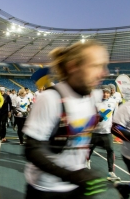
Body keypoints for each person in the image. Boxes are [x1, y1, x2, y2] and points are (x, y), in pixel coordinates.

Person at [23, 40, 109, 198]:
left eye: (104, 66)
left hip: (76, 186)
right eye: (95, 66)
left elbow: (81, 134)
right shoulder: (50, 98)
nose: (105, 73)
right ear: (73, 66)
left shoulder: (92, 95)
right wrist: (72, 176)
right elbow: (31, 151)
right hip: (46, 189)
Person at [87, 85, 120, 181]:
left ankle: (111, 172)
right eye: (104, 92)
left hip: (107, 132)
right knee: (89, 149)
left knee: (110, 150)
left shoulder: (113, 103)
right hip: (95, 131)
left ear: (110, 93)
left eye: (107, 92)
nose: (105, 94)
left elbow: (116, 116)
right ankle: (87, 162)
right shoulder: (94, 102)